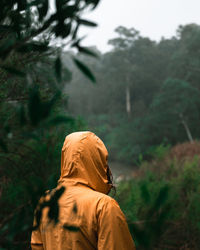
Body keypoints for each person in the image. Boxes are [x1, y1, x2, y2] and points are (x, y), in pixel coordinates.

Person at [31, 131, 136, 250]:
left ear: (65, 157)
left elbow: (37, 246)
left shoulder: (46, 201)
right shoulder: (104, 206)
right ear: (97, 160)